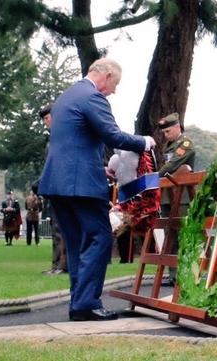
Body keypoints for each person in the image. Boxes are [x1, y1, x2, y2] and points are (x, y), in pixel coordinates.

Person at [38, 58, 156, 322]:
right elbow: (112, 136)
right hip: (80, 185)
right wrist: (144, 142)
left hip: (58, 182)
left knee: (78, 242)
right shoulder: (93, 97)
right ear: (105, 75)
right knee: (100, 236)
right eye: (115, 84)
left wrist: (98, 168)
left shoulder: (66, 96)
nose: (114, 91)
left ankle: (79, 303)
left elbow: (73, 143)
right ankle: (87, 302)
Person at [157, 112, 196, 287]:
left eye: (168, 131)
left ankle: (186, 272)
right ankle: (173, 273)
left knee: (183, 234)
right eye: (164, 132)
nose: (166, 135)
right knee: (170, 235)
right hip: (168, 195)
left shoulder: (185, 144)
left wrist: (154, 177)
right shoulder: (169, 146)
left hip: (182, 195)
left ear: (177, 127)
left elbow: (172, 166)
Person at [39, 103, 68, 275]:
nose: (45, 122)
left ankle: (62, 265)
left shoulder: (61, 137)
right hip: (53, 187)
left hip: (60, 187)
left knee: (60, 228)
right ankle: (56, 264)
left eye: (46, 118)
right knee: (55, 227)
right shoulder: (54, 137)